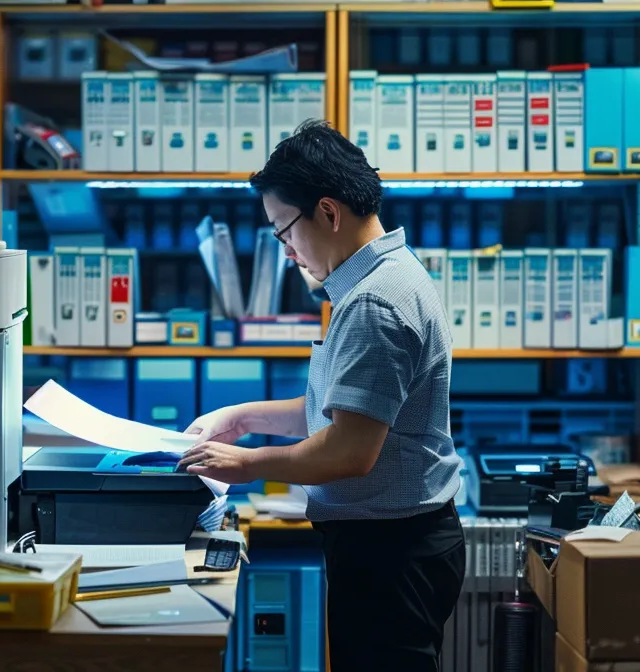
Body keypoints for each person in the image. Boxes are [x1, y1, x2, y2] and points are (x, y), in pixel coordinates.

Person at [177, 120, 465, 671]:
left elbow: (349, 452)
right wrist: (240, 418)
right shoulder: (382, 279)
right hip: (398, 543)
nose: (286, 251)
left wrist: (247, 463)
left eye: (284, 232)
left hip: (391, 551)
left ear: (329, 213)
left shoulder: (374, 303)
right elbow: (343, 413)